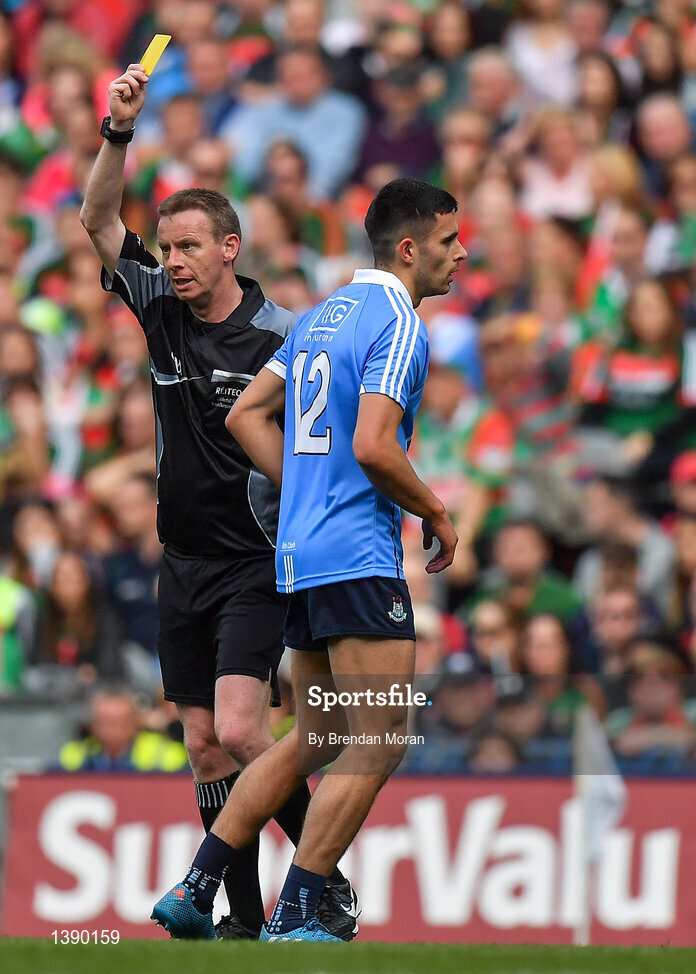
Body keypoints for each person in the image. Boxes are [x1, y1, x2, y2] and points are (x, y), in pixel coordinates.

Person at [78, 62, 353, 941]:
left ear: (231, 248)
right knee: (201, 745)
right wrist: (119, 130)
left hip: (254, 560)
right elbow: (96, 220)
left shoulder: (285, 337)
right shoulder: (158, 306)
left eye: (189, 247)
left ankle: (320, 878)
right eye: (166, 249)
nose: (173, 262)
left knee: (241, 731)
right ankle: (237, 919)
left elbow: (324, 445)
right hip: (182, 561)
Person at [152, 177, 465, 941]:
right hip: (357, 553)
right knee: (380, 739)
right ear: (409, 248)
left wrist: (303, 491)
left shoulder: (324, 313)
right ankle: (299, 910)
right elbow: (374, 446)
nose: (461, 255)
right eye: (450, 240)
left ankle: (197, 885)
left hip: (297, 552)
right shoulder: (399, 323)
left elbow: (246, 414)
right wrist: (434, 509)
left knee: (317, 737)